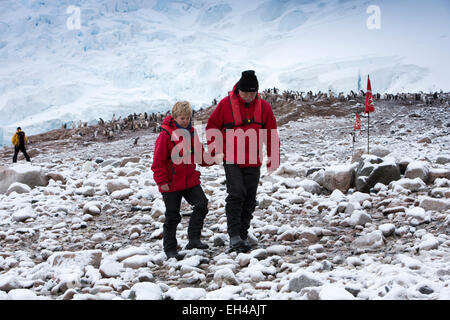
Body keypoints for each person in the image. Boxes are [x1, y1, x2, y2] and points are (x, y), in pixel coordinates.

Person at [206, 70, 280, 253]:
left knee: (249, 198)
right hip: (231, 158)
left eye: (252, 93)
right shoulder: (225, 104)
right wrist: (216, 150)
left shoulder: (264, 107)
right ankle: (234, 236)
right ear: (238, 89)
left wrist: (273, 156)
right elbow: (212, 126)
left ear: (257, 92)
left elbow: (270, 132)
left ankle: (243, 234)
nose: (248, 96)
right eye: (245, 92)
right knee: (236, 193)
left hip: (253, 160)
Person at [151, 101, 222, 260]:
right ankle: (170, 249)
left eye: (187, 118)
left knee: (202, 204)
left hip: (189, 179)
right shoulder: (166, 134)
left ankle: (194, 239)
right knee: (173, 216)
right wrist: (162, 181)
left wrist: (213, 159)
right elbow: (158, 161)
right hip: (171, 182)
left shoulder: (191, 132)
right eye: (182, 118)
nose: (185, 121)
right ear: (175, 117)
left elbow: (199, 155)